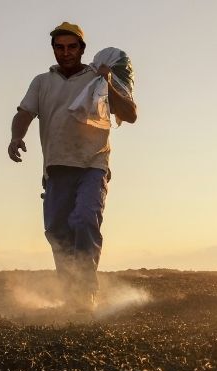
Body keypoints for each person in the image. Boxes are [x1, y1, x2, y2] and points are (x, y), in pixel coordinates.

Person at [8, 22, 137, 312]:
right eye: (60, 47)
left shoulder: (97, 77)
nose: (65, 52)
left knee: (84, 219)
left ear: (81, 49)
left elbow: (130, 115)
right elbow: (24, 113)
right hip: (56, 167)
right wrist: (16, 137)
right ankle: (71, 292)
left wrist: (108, 81)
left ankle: (86, 292)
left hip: (93, 164)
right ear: (53, 49)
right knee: (57, 231)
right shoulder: (42, 82)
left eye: (71, 47)